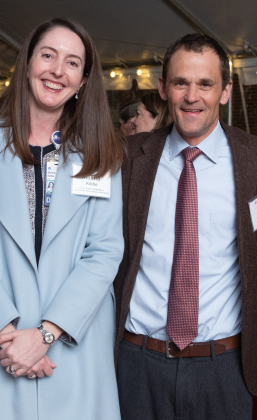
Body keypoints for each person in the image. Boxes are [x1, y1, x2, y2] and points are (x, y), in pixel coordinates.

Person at [114, 33, 257, 420]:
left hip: (224, 366)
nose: (192, 96)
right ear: (162, 89)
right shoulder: (127, 161)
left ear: (225, 91)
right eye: (181, 83)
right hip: (138, 362)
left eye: (205, 83)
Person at [0, 17, 125, 420]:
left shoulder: (99, 154)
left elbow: (104, 251)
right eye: (48, 55)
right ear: (27, 62)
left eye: (73, 63)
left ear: (84, 80)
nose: (58, 70)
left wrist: (45, 335)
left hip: (73, 343)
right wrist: (9, 337)